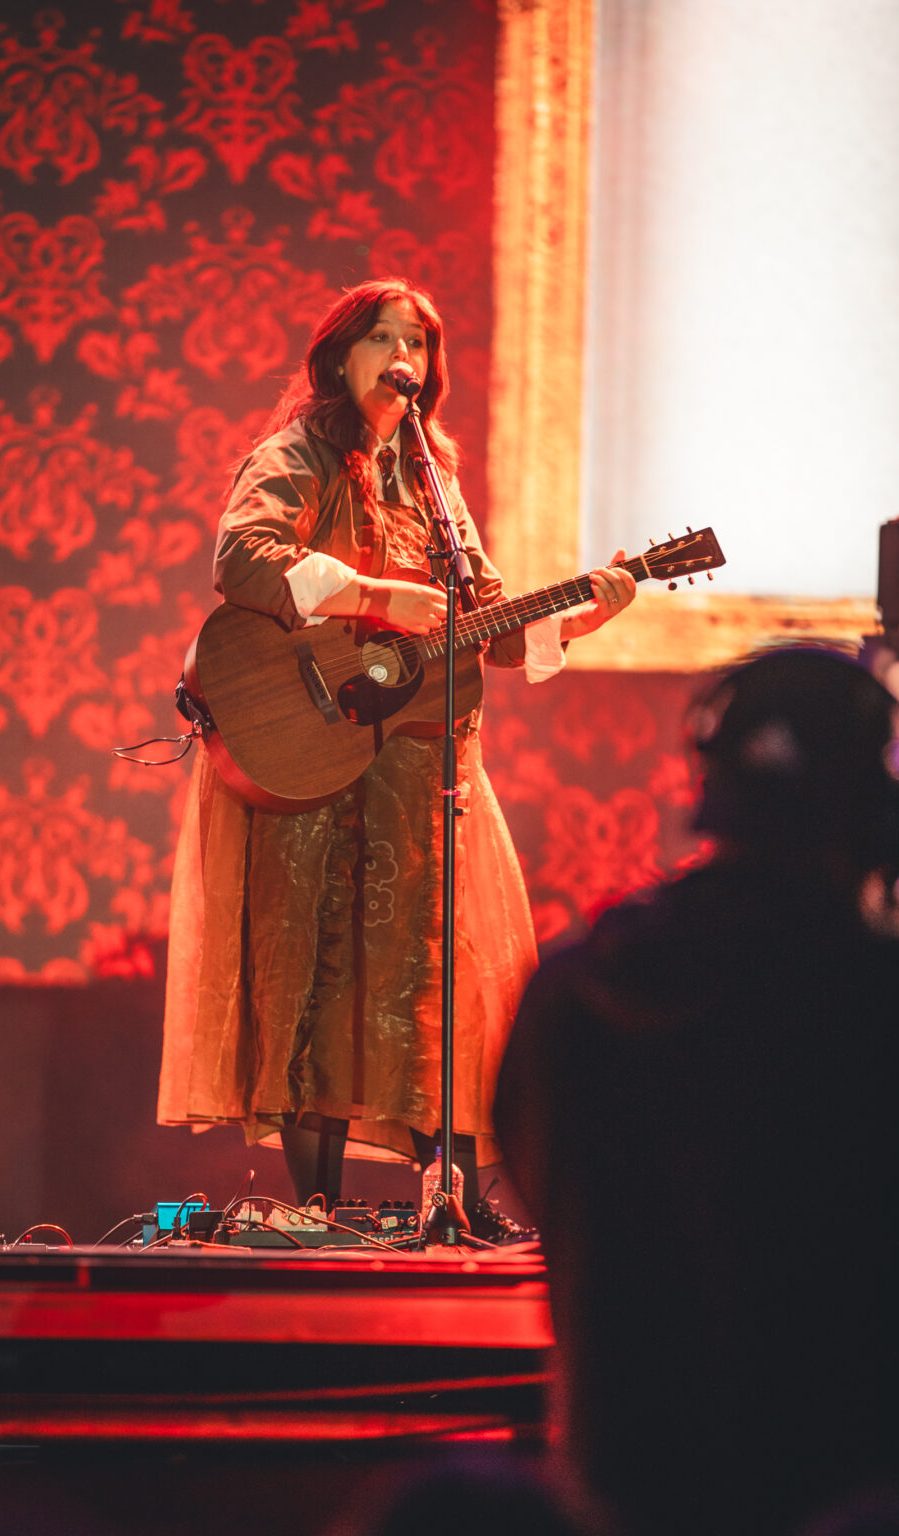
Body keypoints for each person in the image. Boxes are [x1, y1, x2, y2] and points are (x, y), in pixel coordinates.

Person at [158, 277, 636, 1222]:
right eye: (382, 338)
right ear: (340, 356)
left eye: (416, 342)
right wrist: (376, 598)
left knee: (424, 983)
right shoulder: (295, 453)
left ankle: (450, 1202)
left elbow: (487, 621)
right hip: (311, 757)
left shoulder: (433, 484)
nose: (402, 358)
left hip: (417, 770)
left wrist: (578, 617)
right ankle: (318, 1208)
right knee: (314, 980)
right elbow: (243, 557)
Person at [494, 645, 899, 1536]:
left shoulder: (570, 994)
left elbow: (538, 1184)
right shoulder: (873, 996)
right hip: (841, 1486)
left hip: (623, 1483)